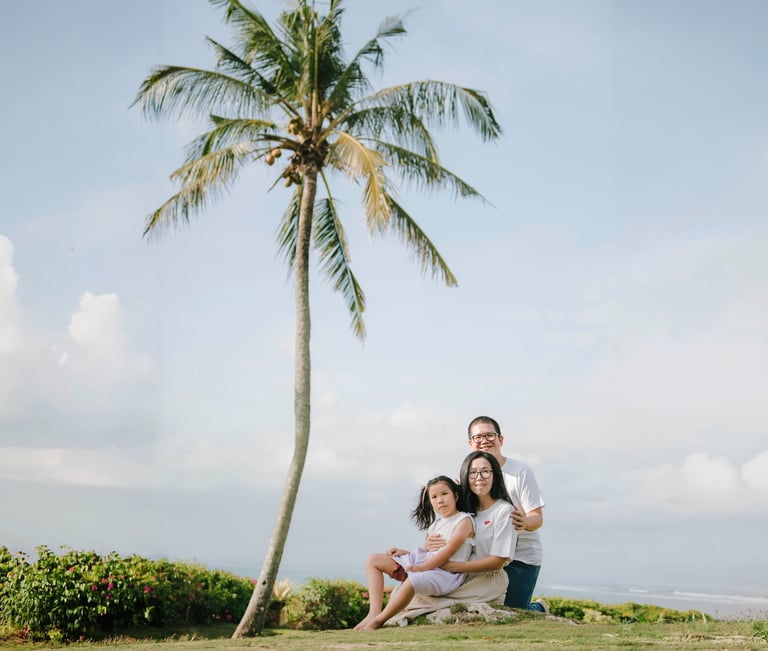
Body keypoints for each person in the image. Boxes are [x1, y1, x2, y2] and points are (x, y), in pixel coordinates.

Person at [382, 451, 518, 625]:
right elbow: (448, 548)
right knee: (404, 593)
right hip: (457, 576)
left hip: (483, 580)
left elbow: (497, 562)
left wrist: (449, 566)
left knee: (415, 595)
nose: (479, 477)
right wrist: (423, 549)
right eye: (473, 473)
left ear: (495, 475)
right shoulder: (465, 510)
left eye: (485, 471)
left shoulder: (504, 511)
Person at [353, 476, 475, 631]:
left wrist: (422, 568)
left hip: (445, 574)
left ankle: (378, 621)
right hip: (426, 565)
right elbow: (428, 552)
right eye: (434, 497)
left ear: (456, 496)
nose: (440, 500)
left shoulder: (464, 520)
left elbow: (449, 550)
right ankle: (373, 612)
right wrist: (406, 553)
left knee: (413, 579)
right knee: (374, 560)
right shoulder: (436, 525)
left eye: (444, 494)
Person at [466, 415, 547, 612]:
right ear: (470, 443)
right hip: (486, 555)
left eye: (489, 435)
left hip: (522, 558)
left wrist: (524, 522)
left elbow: (537, 519)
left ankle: (538, 608)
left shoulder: (520, 472)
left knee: (512, 612)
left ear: (500, 440)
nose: (484, 440)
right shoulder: (467, 474)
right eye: (478, 437)